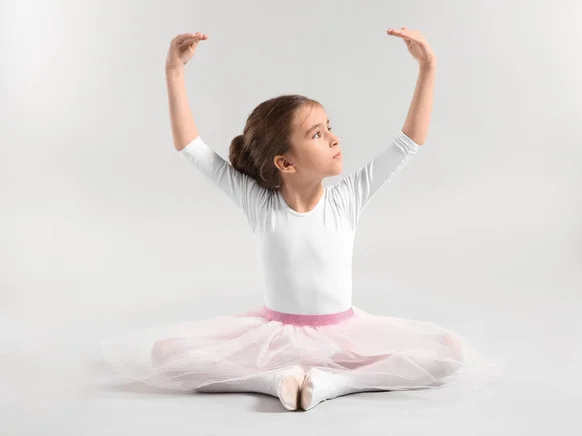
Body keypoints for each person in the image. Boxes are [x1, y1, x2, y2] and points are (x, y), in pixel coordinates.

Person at [99, 28, 503, 411]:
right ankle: (273, 380)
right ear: (285, 162)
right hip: (273, 335)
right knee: (167, 355)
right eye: (316, 134)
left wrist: (427, 67)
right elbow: (191, 147)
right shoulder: (260, 203)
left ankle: (334, 384)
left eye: (329, 128)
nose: (334, 138)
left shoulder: (347, 200)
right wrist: (174, 70)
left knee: (448, 353)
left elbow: (408, 143)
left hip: (344, 334)